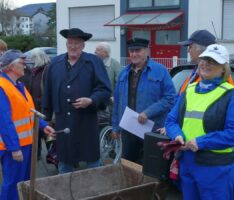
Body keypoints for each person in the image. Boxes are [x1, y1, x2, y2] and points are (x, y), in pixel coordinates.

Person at [165, 44, 234, 200]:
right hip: (187, 163)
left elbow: (232, 133)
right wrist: (177, 135)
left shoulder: (230, 94)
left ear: (223, 69)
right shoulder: (189, 89)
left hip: (216, 169)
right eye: (204, 59)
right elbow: (171, 121)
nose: (206, 64)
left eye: (213, 61)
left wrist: (201, 142)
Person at [42, 28, 112, 174]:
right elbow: (47, 92)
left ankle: (95, 191)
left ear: (83, 46)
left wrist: (91, 100)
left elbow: (105, 89)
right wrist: (46, 119)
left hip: (86, 121)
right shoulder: (55, 63)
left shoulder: (93, 62)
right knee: (65, 163)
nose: (73, 47)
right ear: (66, 44)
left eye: (77, 44)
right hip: (63, 123)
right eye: (70, 43)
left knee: (92, 162)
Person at [0, 49, 55, 200]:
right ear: (12, 67)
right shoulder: (2, 87)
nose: (25, 66)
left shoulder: (18, 85)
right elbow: (4, 122)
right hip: (14, 147)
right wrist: (14, 148)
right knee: (12, 185)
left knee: (23, 183)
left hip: (26, 144)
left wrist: (43, 125)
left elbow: (28, 112)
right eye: (22, 63)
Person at [111, 38, 176, 164]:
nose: (134, 54)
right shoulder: (124, 73)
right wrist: (115, 127)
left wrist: (148, 113)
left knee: (152, 166)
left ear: (147, 51)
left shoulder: (160, 70)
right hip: (128, 129)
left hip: (152, 129)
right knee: (128, 165)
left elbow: (170, 98)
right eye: (131, 51)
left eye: (138, 50)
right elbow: (117, 102)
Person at [178, 29, 216, 93]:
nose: (188, 51)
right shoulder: (196, 71)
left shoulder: (211, 75)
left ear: (200, 49)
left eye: (190, 47)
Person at [29, 49, 51, 159]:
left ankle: (52, 156)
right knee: (37, 133)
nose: (32, 60)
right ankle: (36, 156)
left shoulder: (47, 69)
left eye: (34, 58)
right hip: (36, 107)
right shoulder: (35, 70)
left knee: (47, 133)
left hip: (43, 107)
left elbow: (48, 89)